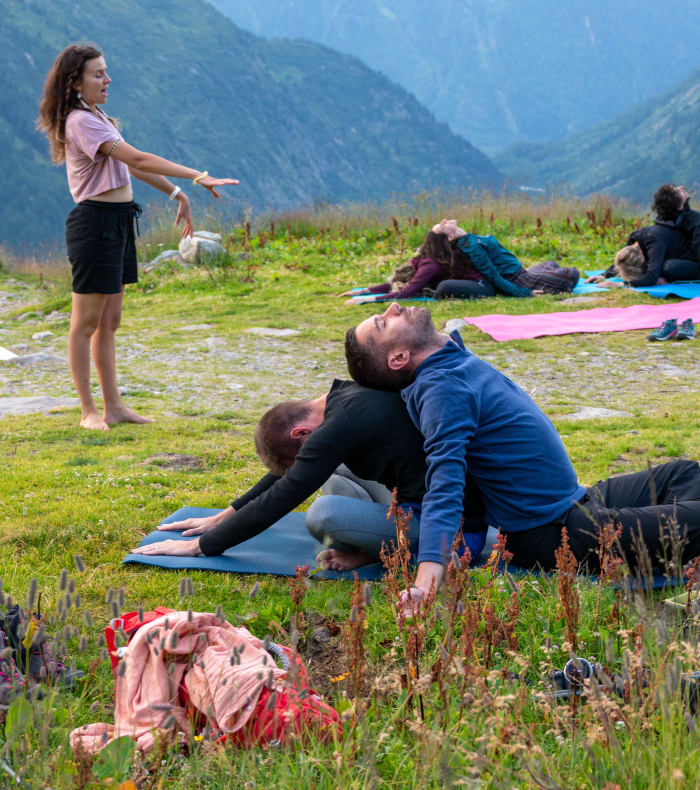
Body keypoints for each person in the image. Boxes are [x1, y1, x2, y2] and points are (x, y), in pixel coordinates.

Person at [344, 303, 700, 604]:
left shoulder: (448, 360)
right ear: (400, 357)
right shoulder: (441, 389)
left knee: (686, 473)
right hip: (555, 533)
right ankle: (678, 540)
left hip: (577, 499)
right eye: (383, 322)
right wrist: (427, 579)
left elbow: (445, 347)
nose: (392, 307)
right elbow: (444, 482)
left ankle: (681, 542)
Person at [37, 44, 238, 430]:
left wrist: (176, 193)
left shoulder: (97, 116)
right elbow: (140, 158)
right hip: (95, 224)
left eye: (106, 71)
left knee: (109, 321)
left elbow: (130, 166)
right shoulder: (82, 121)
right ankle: (88, 411)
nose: (107, 79)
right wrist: (197, 176)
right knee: (85, 323)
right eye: (98, 74)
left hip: (118, 220)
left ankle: (113, 407)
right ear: (75, 82)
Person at [130, 381, 489, 567]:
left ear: (300, 434)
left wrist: (200, 546)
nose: (304, 464)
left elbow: (288, 492)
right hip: (424, 498)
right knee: (333, 476)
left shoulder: (338, 426)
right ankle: (376, 547)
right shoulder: (344, 397)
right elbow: (294, 475)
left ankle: (381, 551)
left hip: (452, 529)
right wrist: (226, 515)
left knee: (323, 513)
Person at [428, 219, 579, 297]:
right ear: (450, 236)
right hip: (519, 279)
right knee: (572, 275)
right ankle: (540, 282)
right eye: (441, 226)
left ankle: (543, 277)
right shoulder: (472, 248)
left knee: (551, 263)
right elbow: (494, 277)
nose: (443, 221)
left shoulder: (469, 239)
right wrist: (524, 293)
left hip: (522, 272)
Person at [340, 230, 495, 303]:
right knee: (442, 285)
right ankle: (433, 292)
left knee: (445, 286)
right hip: (472, 284)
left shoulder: (433, 265)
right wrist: (363, 291)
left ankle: (433, 294)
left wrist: (368, 299)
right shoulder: (426, 260)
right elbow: (403, 282)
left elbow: (407, 292)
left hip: (482, 287)